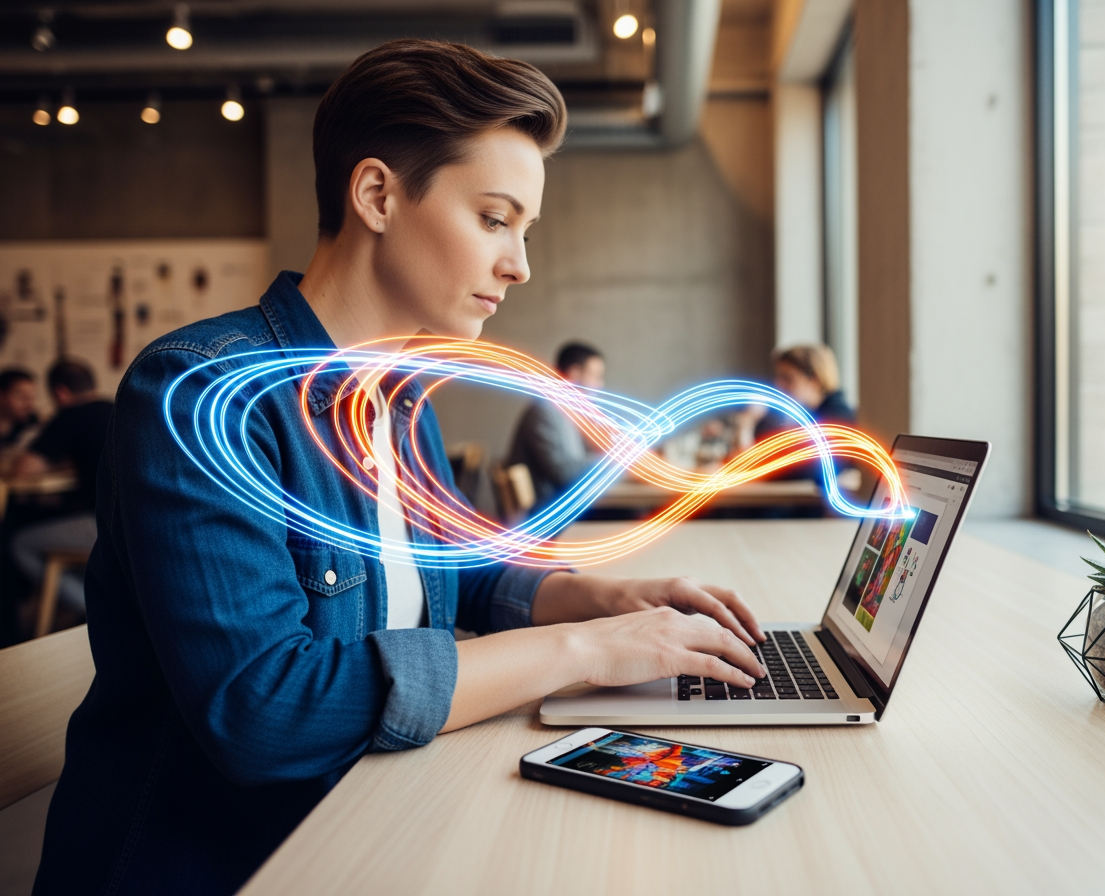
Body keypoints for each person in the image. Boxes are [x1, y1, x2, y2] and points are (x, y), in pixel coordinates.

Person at [35, 40, 765, 896]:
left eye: (525, 231)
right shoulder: (205, 393)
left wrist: (603, 597)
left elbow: (461, 572)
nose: (519, 265)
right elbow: (265, 709)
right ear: (377, 194)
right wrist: (584, 648)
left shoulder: (397, 400)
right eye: (495, 219)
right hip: (234, 868)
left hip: (372, 827)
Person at [9, 358, 113, 615]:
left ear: (60, 392)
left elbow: (23, 472)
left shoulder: (71, 414)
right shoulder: (117, 406)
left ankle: (98, 611)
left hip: (102, 525)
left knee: (19, 543)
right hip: (142, 522)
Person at [506, 341, 605, 511]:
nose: (600, 384)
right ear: (574, 373)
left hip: (566, 507)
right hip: (552, 514)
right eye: (595, 376)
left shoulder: (565, 412)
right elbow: (564, 474)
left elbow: (575, 462)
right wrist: (615, 459)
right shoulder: (545, 412)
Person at [737, 344, 857, 480]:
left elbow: (800, 469)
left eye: (788, 378)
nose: (779, 386)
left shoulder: (838, 418)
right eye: (778, 378)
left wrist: (748, 422)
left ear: (815, 379)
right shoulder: (808, 417)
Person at [0, 367, 38, 464]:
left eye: (31, 398)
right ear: (2, 396)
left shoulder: (32, 421)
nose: (29, 404)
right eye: (21, 397)